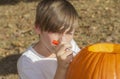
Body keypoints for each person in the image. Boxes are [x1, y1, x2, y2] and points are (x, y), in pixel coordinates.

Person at [17, 0, 80, 79]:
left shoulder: (71, 44)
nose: (63, 41)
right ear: (38, 28)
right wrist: (62, 68)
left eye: (69, 33)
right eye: (55, 32)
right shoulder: (27, 63)